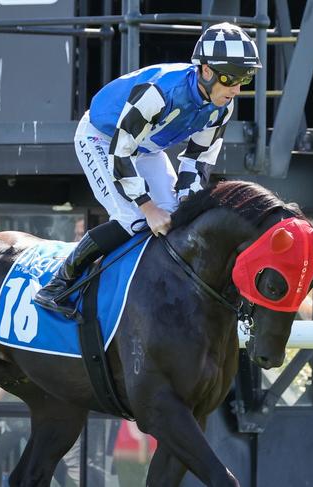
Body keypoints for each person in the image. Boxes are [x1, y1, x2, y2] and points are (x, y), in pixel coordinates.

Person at [35, 22, 262, 313]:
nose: (236, 89)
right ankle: (58, 284)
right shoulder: (159, 92)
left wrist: (187, 201)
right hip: (103, 139)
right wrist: (147, 206)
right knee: (134, 218)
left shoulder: (222, 105)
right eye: (231, 78)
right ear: (206, 71)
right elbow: (120, 151)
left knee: (175, 218)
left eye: (246, 79)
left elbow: (198, 160)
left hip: (145, 147)